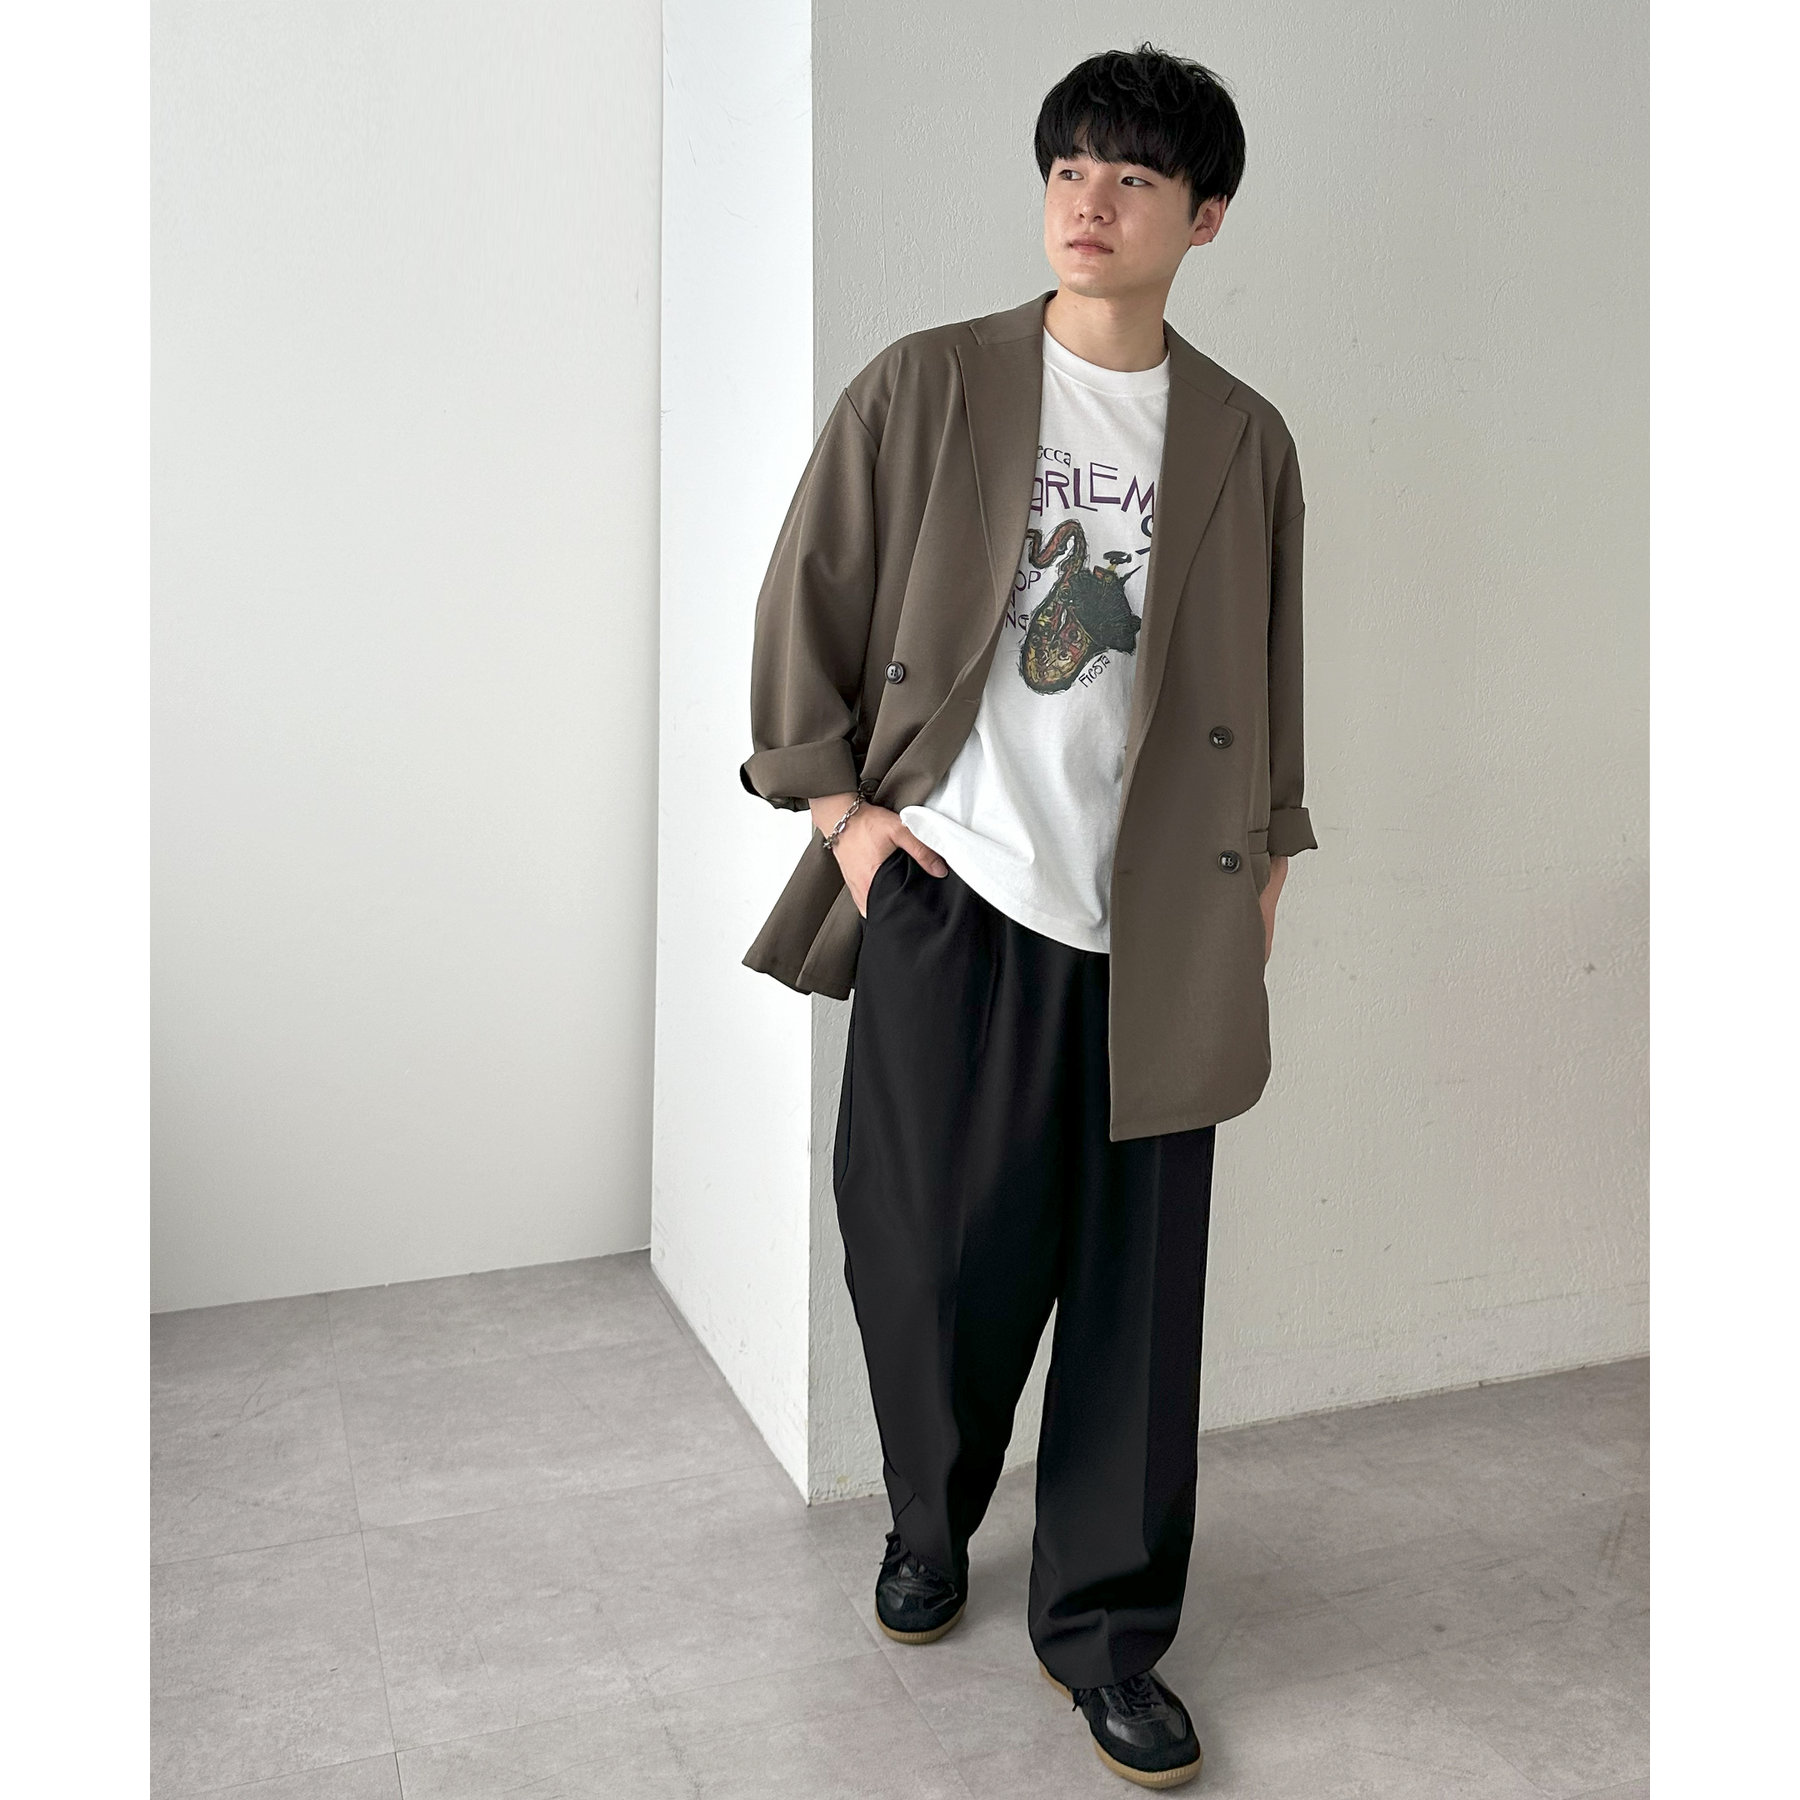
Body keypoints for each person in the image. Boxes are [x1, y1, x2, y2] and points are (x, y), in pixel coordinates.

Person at [737, 42, 1318, 1790]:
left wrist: (1268, 865)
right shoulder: (932, 387)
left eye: (1135, 177)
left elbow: (1270, 671)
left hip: (1161, 927)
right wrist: (843, 817)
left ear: (1205, 218)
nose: (1091, 200)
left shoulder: (1243, 439)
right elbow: (809, 597)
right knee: (923, 1253)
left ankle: (1109, 1634)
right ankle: (931, 1513)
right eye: (1071, 166)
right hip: (953, 891)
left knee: (1137, 1305)